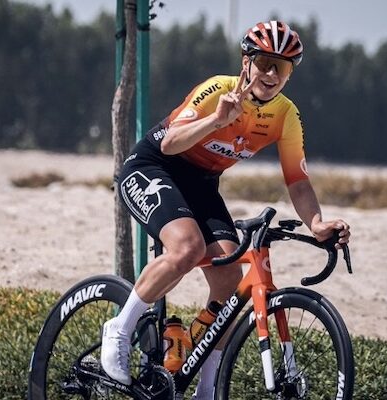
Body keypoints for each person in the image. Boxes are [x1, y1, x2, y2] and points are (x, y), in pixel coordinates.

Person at [101, 20, 351, 399]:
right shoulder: (218, 90)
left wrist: (316, 223)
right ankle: (119, 329)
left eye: (281, 68)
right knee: (188, 248)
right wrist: (217, 120)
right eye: (264, 63)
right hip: (153, 168)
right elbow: (169, 143)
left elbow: (298, 182)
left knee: (231, 279)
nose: (271, 74)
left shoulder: (285, 115)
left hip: (201, 185)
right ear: (246, 61)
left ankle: (206, 387)